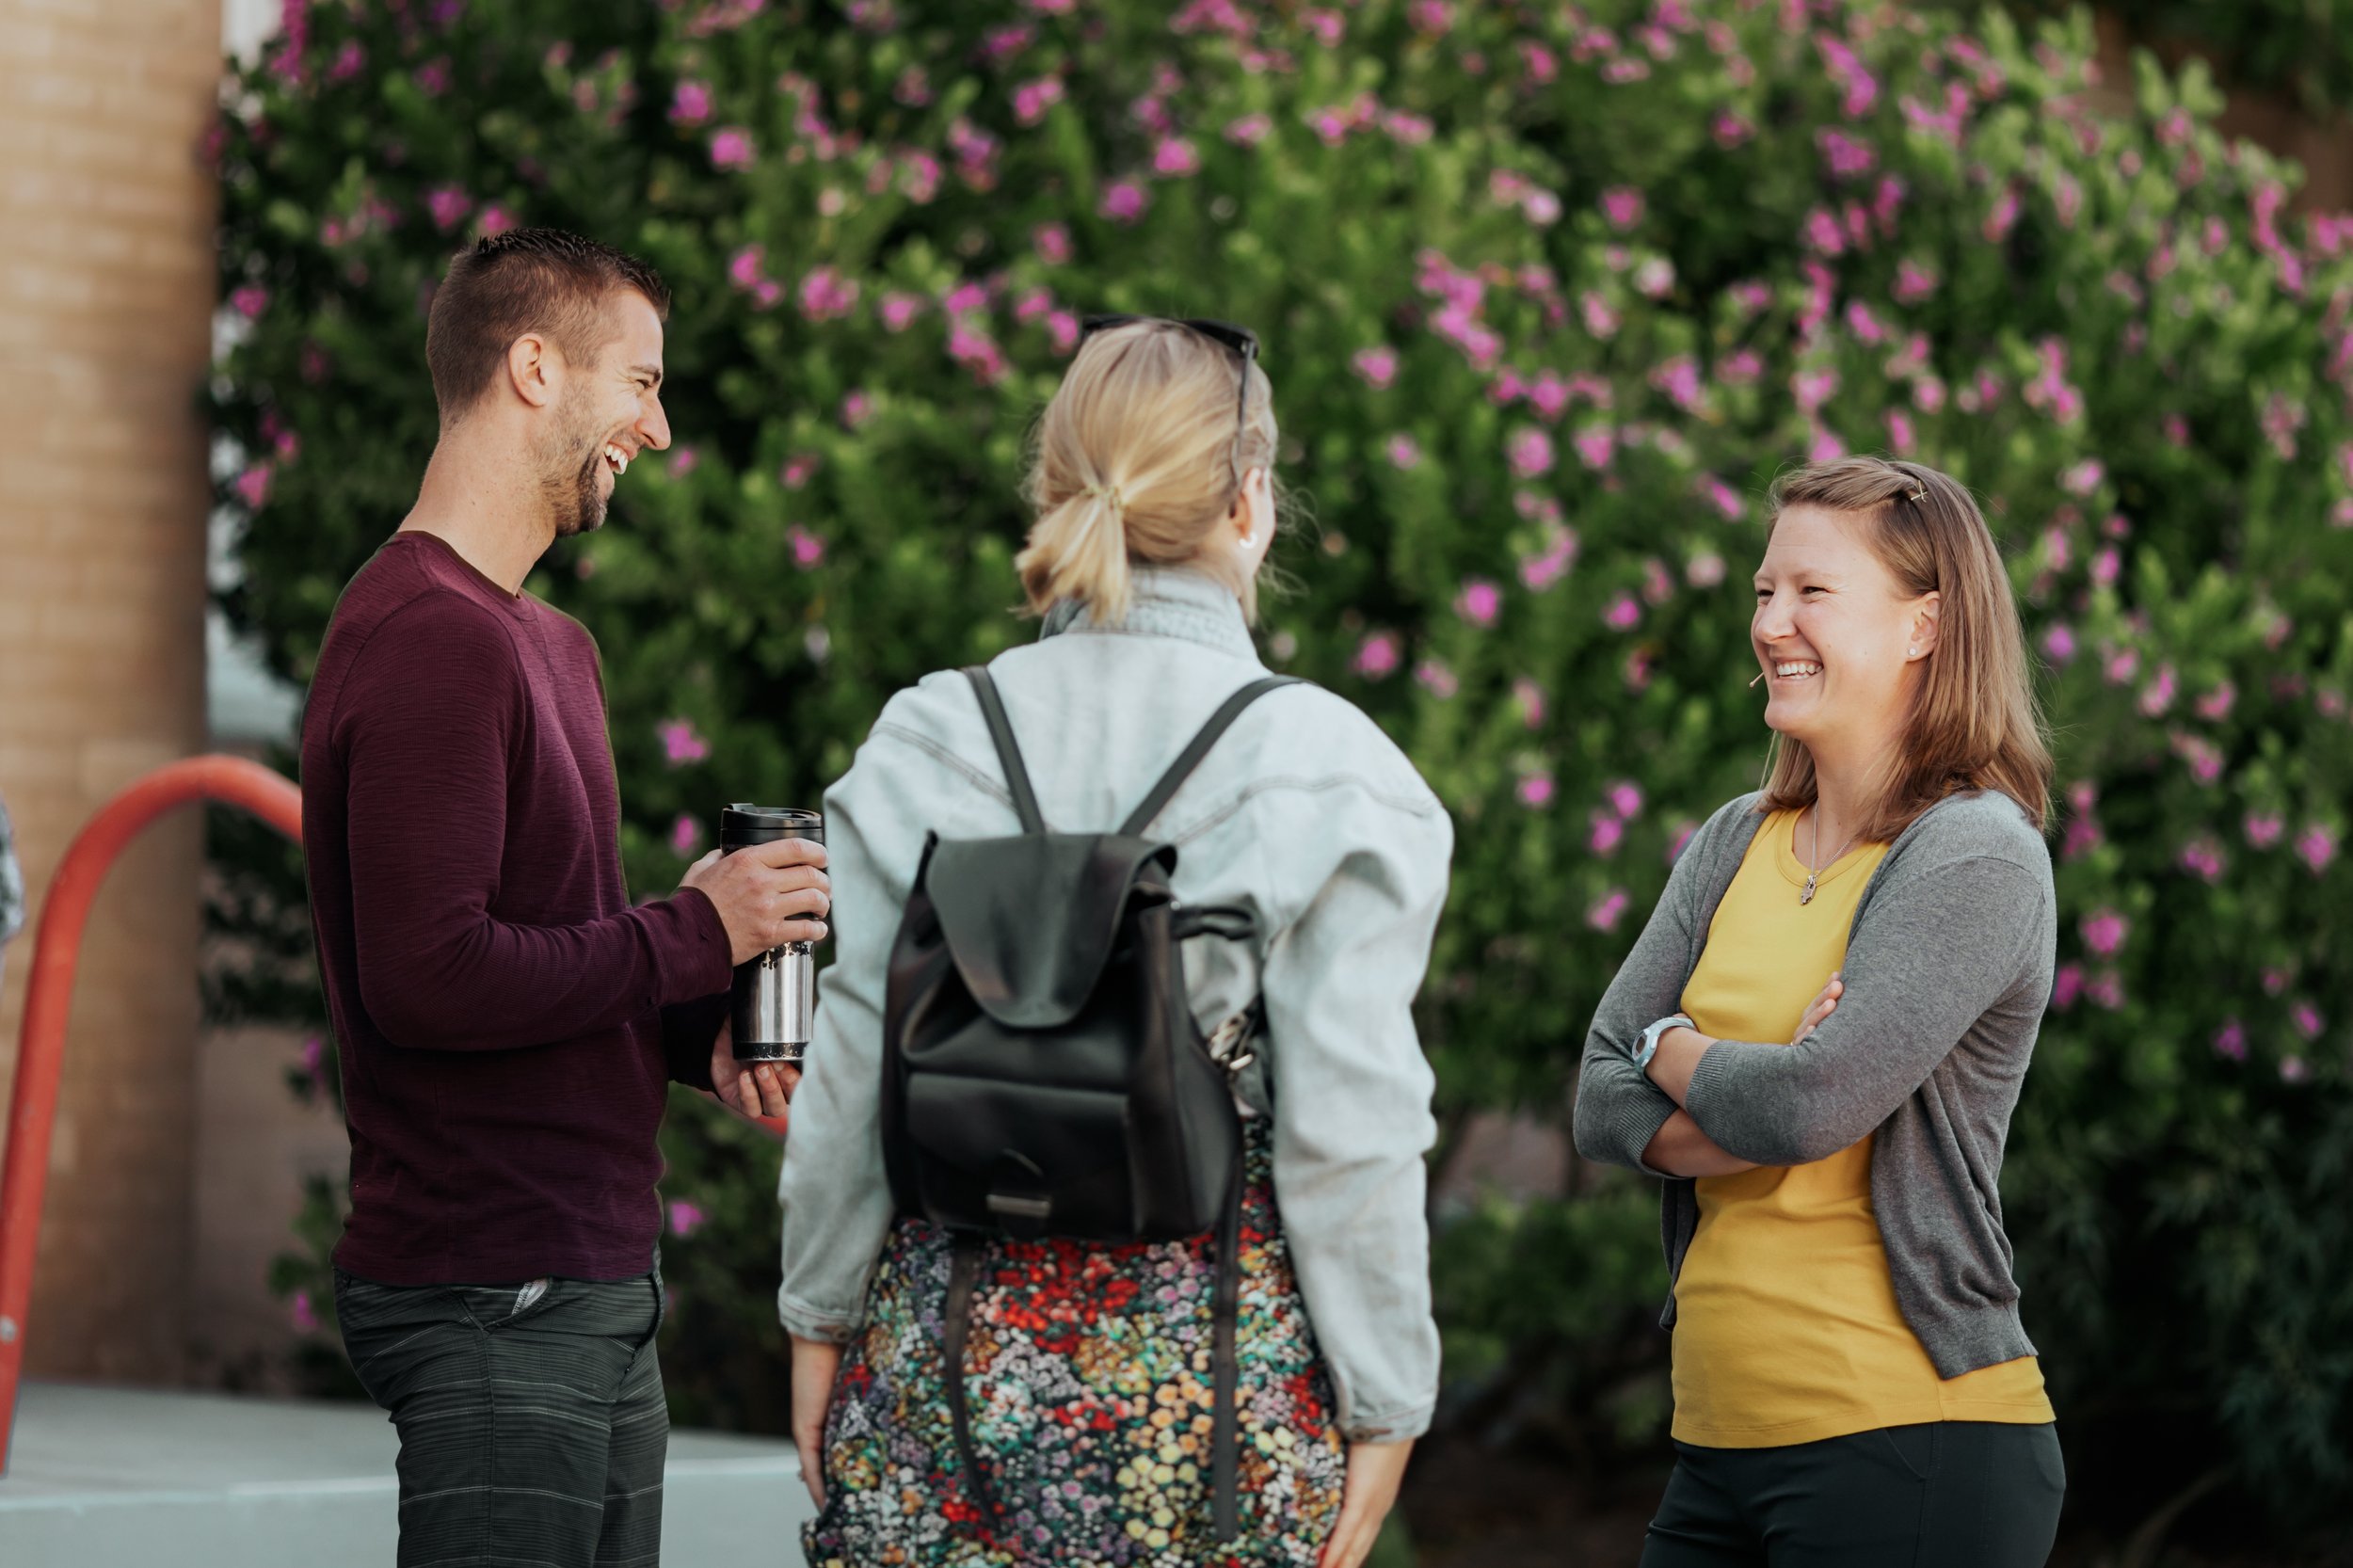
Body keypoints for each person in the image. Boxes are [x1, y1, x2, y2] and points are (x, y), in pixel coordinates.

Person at [775, 317, 1451, 1568]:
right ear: (1250, 500)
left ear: (1056, 486)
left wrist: (817, 1321)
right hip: (1213, 1409)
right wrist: (1386, 1398)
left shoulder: (928, 736)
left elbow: (847, 1081)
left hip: (945, 1390)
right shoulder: (1333, 772)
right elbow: (1349, 1133)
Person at [299, 228, 829, 1567]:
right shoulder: (430, 635)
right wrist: (698, 925)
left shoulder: (548, 642)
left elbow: (544, 942)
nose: (656, 425)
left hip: (585, 1279)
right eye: (640, 381)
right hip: (494, 1288)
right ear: (535, 367)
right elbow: (431, 977)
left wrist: (687, 1034)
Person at [1574, 455, 2067, 1567]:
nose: (1771, 622)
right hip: (1714, 1444)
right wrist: (1733, 1075)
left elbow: (1807, 1105)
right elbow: (1596, 1098)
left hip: (1909, 1438)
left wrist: (1670, 1045)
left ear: (1923, 627)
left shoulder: (1974, 852)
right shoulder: (1732, 839)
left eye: (1812, 592)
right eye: (1762, 590)